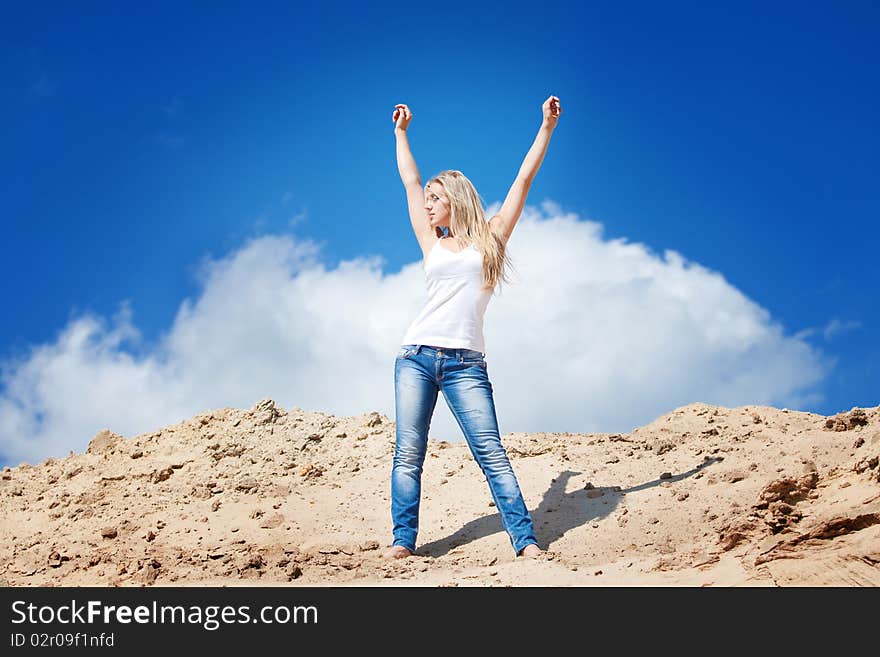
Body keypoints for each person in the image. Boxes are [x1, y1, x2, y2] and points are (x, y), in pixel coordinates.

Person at [383, 95, 563, 560]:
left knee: (491, 453)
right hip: (416, 356)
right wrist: (401, 134)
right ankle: (403, 542)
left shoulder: (492, 237)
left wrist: (546, 127)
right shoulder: (431, 242)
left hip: (465, 362)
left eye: (435, 200)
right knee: (408, 454)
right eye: (427, 200)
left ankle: (525, 542)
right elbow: (409, 180)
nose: (426, 205)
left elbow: (524, 179)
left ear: (454, 202)